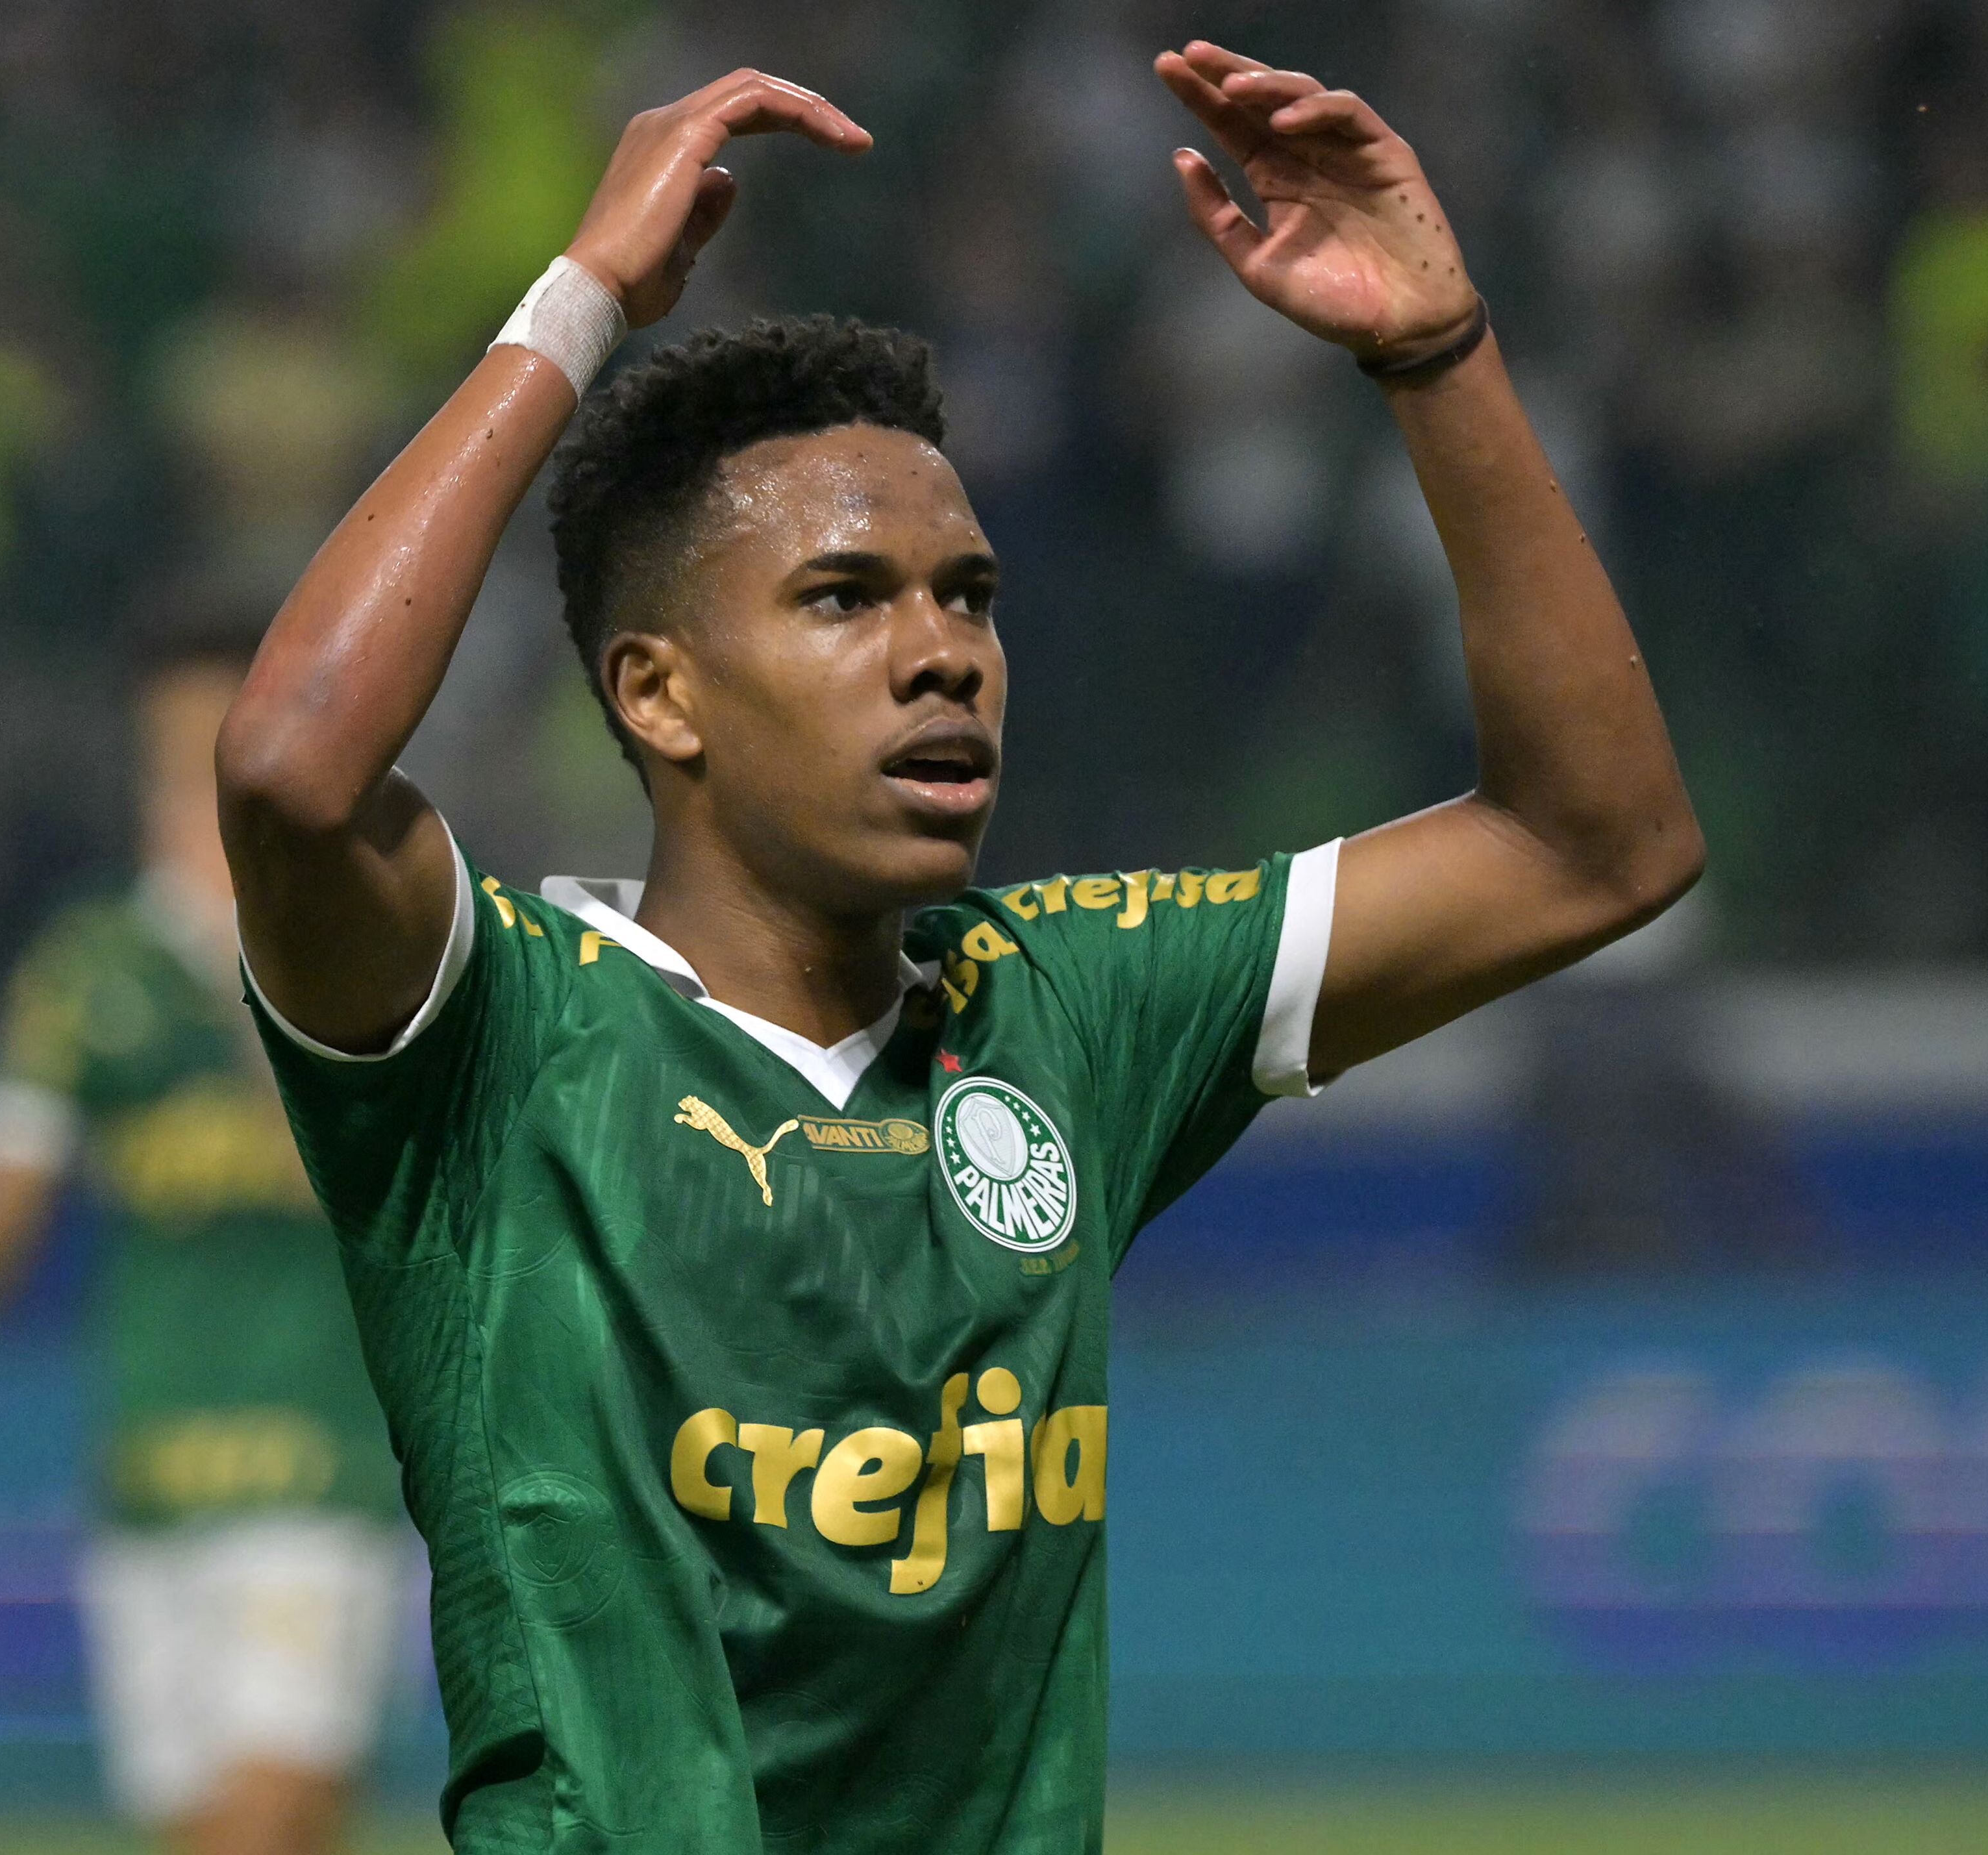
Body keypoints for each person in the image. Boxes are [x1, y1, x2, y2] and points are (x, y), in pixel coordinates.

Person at [215, 43, 1702, 1853]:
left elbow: (1594, 844)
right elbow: (294, 769)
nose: (944, 655)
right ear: (658, 695)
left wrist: (1436, 354)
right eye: (844, 597)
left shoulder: (1067, 1003)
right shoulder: (495, 1033)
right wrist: (582, 298)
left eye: (970, 597)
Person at [0, 607, 410, 1855]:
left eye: (223, 754)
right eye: (170, 756)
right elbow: (3, 1198)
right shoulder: (90, 970)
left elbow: (371, 1171)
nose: (194, 785)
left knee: (269, 1815)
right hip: (149, 1481)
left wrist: (264, 938)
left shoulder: (374, 944)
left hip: (324, 1469)